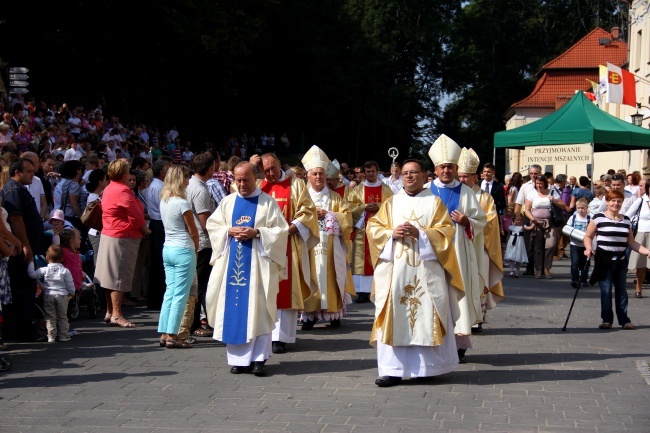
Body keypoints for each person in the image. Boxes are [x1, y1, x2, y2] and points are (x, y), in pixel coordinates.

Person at [366, 158, 464, 386]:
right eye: (405, 173)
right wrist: (392, 234)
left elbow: (446, 231)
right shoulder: (391, 203)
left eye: (414, 172)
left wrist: (420, 234)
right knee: (394, 313)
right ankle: (392, 370)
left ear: (424, 176)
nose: (409, 176)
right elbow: (374, 228)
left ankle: (427, 369)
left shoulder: (435, 202)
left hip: (426, 270)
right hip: (396, 272)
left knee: (425, 314)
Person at [205, 162, 289, 376]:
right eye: (238, 180)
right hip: (232, 267)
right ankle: (240, 360)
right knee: (233, 308)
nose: (241, 184)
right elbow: (213, 226)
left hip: (259, 269)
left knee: (259, 310)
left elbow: (281, 231)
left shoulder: (267, 203)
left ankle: (259, 359)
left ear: (256, 178)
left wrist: (258, 233)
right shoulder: (228, 202)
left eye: (246, 180)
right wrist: (228, 230)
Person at [249, 152, 318, 354]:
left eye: (273, 168)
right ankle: (263, 333)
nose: (270, 173)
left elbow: (308, 210)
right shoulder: (257, 185)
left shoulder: (295, 185)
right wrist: (251, 166)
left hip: (288, 244)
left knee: (286, 290)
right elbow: (237, 192)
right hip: (262, 246)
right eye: (265, 170)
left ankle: (281, 337)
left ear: (280, 164)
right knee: (265, 289)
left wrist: (294, 227)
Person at [427, 135, 486, 363]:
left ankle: (459, 346)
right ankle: (434, 342)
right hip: (430, 254)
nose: (446, 171)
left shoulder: (466, 192)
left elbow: (480, 221)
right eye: (443, 167)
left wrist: (466, 221)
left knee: (456, 296)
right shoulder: (425, 191)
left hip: (457, 253)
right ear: (435, 168)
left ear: (456, 168)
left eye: (451, 167)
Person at [300, 146, 353, 329]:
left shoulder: (335, 198)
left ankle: (333, 312)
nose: (318, 177)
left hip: (331, 246)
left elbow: (347, 218)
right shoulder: (302, 197)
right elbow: (296, 216)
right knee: (311, 276)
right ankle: (310, 314)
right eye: (314, 174)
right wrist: (311, 215)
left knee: (331, 275)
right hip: (309, 245)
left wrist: (330, 214)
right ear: (308, 175)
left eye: (321, 174)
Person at [94, 159, 150, 328]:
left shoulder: (109, 188)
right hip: (122, 236)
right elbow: (136, 217)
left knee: (109, 277)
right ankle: (117, 314)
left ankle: (110, 312)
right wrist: (144, 230)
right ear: (124, 174)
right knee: (118, 276)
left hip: (110, 233)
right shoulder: (123, 191)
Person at [584, 189, 650, 330]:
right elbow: (588, 236)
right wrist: (588, 248)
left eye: (619, 201)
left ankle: (624, 320)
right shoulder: (598, 218)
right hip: (603, 260)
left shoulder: (626, 220)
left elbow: (631, 242)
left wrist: (647, 252)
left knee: (621, 291)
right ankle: (607, 320)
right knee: (606, 290)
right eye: (613, 200)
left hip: (620, 261)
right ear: (607, 202)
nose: (616, 203)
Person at [458, 148, 504, 333]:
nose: (462, 180)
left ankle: (477, 318)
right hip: (458, 246)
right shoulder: (456, 194)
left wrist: (470, 223)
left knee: (478, 280)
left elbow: (491, 220)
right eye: (460, 176)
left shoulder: (484, 197)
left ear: (475, 177)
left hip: (479, 246)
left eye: (466, 176)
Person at [1, 158, 45, 342]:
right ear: (17, 172)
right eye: (28, 171)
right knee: (22, 289)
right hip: (19, 250)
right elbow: (16, 221)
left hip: (26, 247)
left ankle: (23, 328)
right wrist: (25, 244)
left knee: (26, 288)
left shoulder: (19, 189)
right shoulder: (13, 190)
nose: (32, 175)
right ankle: (20, 330)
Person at [158, 165, 199, 348]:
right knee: (181, 294)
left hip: (168, 248)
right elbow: (193, 231)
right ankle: (173, 335)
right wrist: (196, 249)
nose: (188, 181)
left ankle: (165, 332)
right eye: (186, 177)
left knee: (170, 292)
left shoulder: (164, 200)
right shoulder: (183, 202)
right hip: (183, 249)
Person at [348, 161, 393, 303]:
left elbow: (392, 205)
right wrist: (365, 207)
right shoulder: (358, 189)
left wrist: (379, 206)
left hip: (380, 229)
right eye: (367, 172)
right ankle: (362, 291)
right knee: (361, 258)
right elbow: (350, 207)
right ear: (364, 173)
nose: (370, 174)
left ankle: (379, 288)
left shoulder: (386, 189)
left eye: (373, 171)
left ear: (377, 171)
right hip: (362, 230)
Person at [185, 153, 217, 339]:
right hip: (203, 243)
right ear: (210, 169)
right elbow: (206, 221)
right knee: (200, 286)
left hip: (194, 241)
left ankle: (193, 321)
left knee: (196, 284)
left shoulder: (189, 185)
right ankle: (195, 323)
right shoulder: (200, 190)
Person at [27, 245, 75, 342]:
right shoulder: (65, 271)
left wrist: (31, 262)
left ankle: (51, 336)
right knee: (62, 316)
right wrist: (71, 293)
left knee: (50, 316)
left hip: (49, 295)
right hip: (62, 295)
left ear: (47, 257)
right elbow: (70, 284)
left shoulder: (44, 270)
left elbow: (31, 274)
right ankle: (63, 335)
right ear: (62, 258)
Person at [524, 175, 566, 279]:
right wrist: (532, 218)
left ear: (545, 184)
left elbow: (563, 206)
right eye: (537, 183)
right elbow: (527, 209)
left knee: (550, 245)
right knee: (537, 247)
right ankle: (538, 269)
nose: (538, 185)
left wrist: (554, 201)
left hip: (549, 223)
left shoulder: (552, 192)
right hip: (536, 223)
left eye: (541, 183)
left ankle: (547, 268)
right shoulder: (532, 194)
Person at [145, 158, 170, 310]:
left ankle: (156, 297)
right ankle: (157, 298)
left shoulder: (156, 185)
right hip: (159, 223)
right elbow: (165, 208)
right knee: (159, 263)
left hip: (157, 223)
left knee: (158, 262)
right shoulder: (159, 187)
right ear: (162, 172)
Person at [626, 181, 650, 298]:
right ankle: (638, 288)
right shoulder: (641, 201)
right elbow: (627, 215)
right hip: (643, 233)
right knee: (641, 264)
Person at [567, 198, 590, 288]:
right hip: (574, 244)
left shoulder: (589, 218)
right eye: (579, 208)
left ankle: (584, 279)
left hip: (585, 245)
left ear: (586, 208)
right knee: (575, 263)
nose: (580, 210)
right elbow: (568, 228)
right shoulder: (573, 218)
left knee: (585, 264)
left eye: (582, 208)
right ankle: (575, 279)